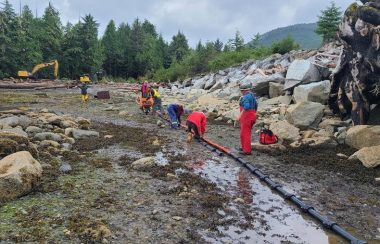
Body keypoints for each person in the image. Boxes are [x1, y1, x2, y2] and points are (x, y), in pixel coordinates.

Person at [236, 83, 257, 155]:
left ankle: (247, 151)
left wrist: (240, 115)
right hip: (252, 115)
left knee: (245, 134)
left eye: (241, 91)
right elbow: (256, 105)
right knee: (244, 133)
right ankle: (244, 147)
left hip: (247, 116)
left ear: (244, 91)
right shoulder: (251, 95)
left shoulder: (245, 97)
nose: (241, 92)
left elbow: (246, 106)